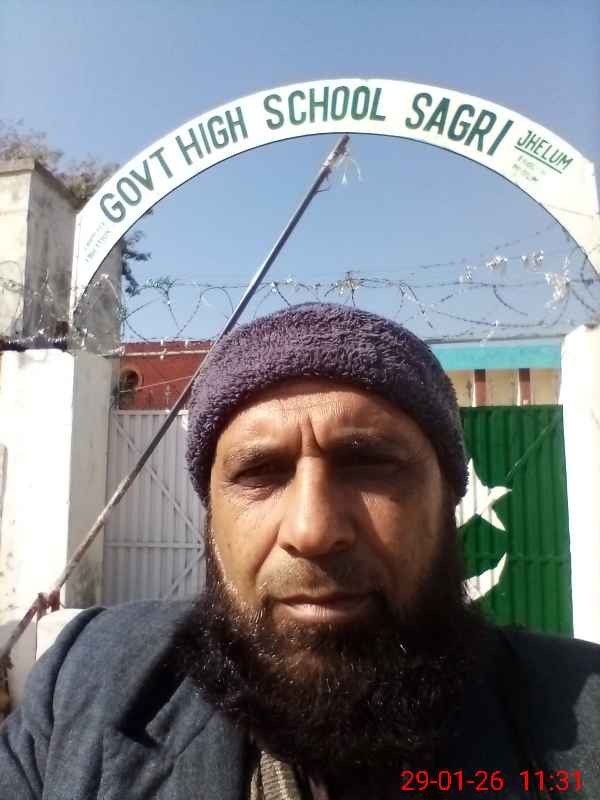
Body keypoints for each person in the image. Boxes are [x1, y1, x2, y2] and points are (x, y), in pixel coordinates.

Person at [1, 303, 599, 800]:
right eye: (260, 472)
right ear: (212, 517)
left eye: (369, 463)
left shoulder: (581, 719)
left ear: (447, 496)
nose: (312, 531)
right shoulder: (86, 683)